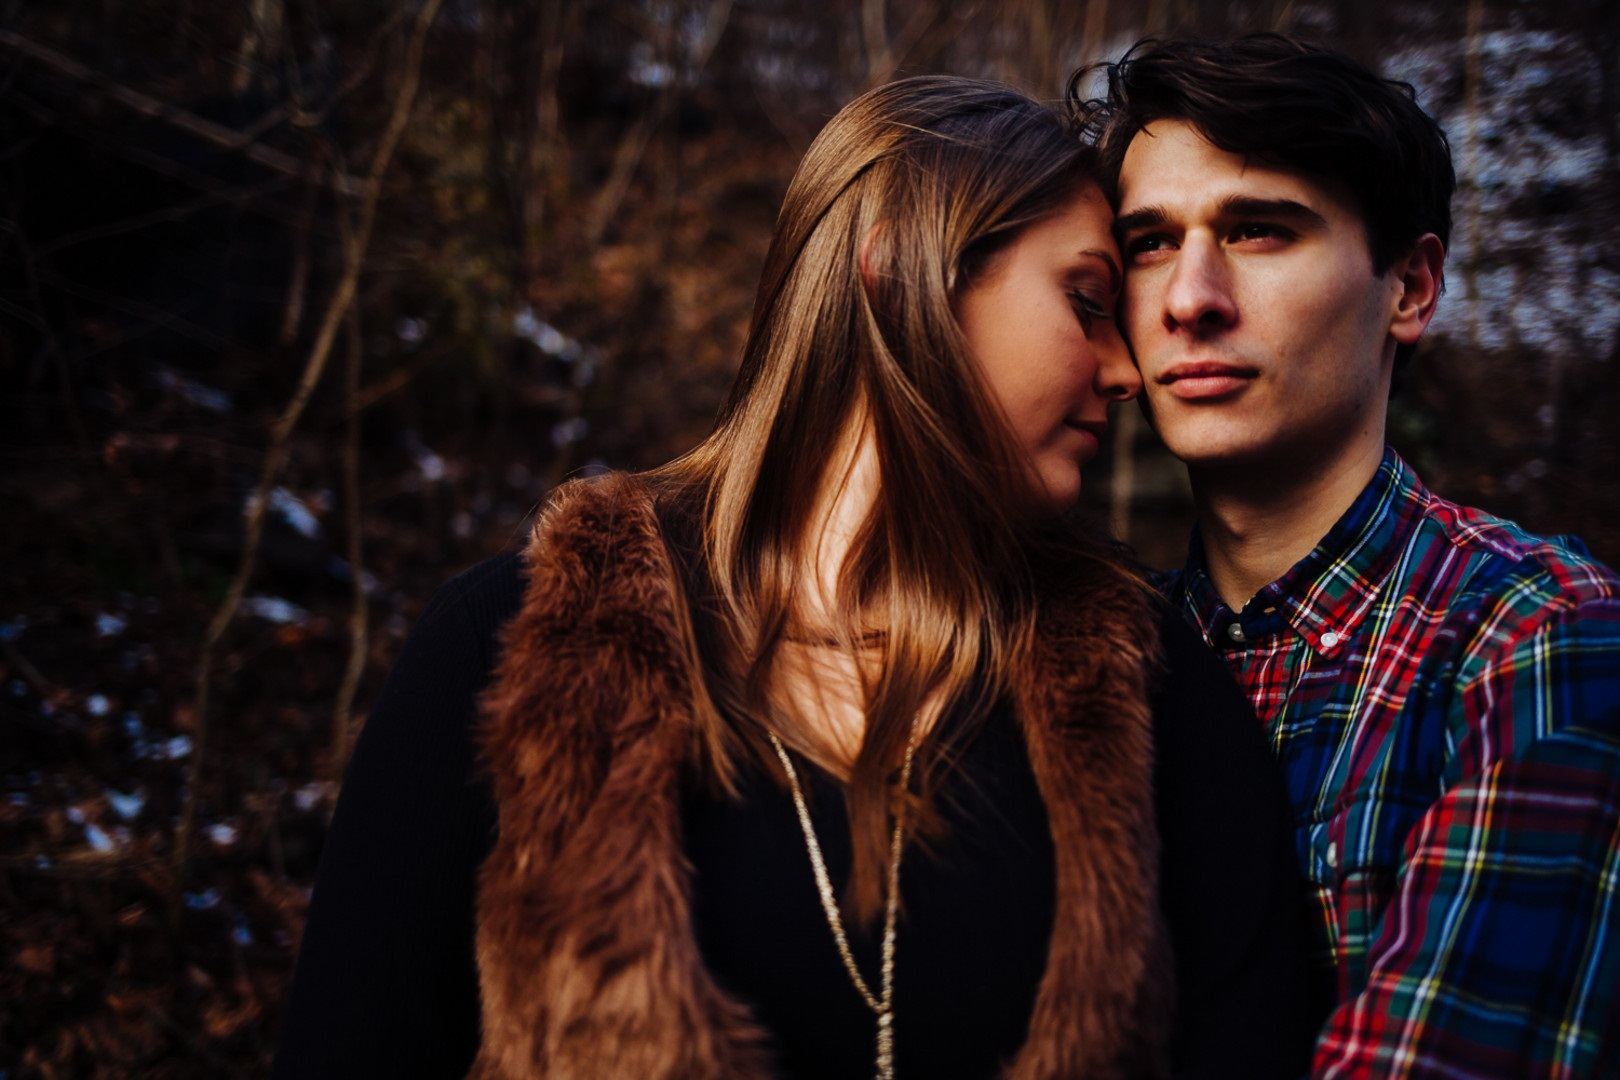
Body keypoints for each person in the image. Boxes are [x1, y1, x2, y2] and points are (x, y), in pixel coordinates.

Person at [274, 76, 1315, 1079]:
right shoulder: (510, 645)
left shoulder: (1147, 692)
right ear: (898, 265)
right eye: (1088, 300)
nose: (1126, 372)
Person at [1072, 34, 1620, 1077]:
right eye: (1149, 243)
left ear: (1410, 288)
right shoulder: (1094, 650)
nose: (1191, 298)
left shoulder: (1537, 640)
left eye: (1261, 231)